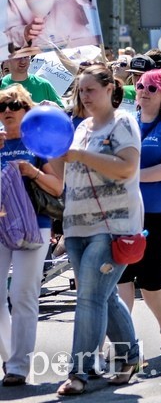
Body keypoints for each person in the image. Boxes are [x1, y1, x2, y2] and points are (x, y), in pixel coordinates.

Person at [50, 64, 142, 395]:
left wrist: (80, 155)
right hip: (77, 225)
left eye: (90, 89)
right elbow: (62, 171)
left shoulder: (124, 123)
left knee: (89, 295)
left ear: (109, 89)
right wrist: (49, 144)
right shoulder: (81, 128)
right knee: (102, 295)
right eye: (80, 91)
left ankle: (80, 371)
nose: (84, 96)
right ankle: (130, 355)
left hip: (114, 225)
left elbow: (127, 168)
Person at [117, 69, 161, 356]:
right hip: (125, 208)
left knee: (150, 275)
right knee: (121, 273)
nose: (143, 91)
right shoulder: (126, 123)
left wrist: (128, 175)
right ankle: (123, 339)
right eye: (140, 86)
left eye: (152, 88)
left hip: (159, 209)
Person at [0, 86, 64, 386]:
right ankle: (9, 355)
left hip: (33, 226)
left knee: (22, 294)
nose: (7, 111)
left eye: (14, 105)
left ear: (27, 111)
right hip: (1, 228)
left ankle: (18, 366)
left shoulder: (37, 145)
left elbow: (58, 187)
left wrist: (33, 172)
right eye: (1, 107)